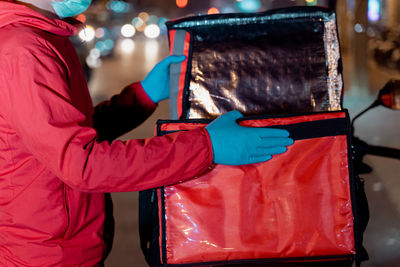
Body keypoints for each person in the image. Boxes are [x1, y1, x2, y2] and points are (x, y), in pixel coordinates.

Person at [0, 0, 294, 265]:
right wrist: (206, 147)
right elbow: (82, 164)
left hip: (62, 246)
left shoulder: (44, 36)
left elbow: (72, 132)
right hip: (44, 254)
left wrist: (142, 96)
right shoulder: (25, 50)